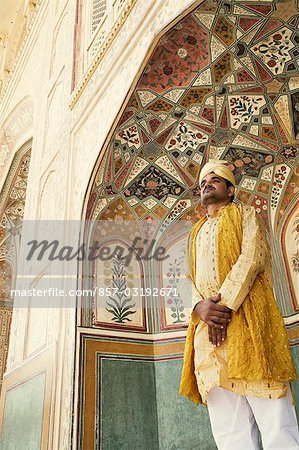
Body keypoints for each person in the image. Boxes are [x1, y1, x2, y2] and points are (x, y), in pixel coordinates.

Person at [180, 159, 299, 449]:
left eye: (215, 180)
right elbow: (183, 279)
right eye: (203, 181)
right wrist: (200, 309)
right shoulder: (195, 232)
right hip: (208, 336)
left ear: (231, 190)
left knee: (274, 416)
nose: (207, 183)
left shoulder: (246, 215)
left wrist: (223, 310)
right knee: (229, 427)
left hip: (250, 323)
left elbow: (251, 259)